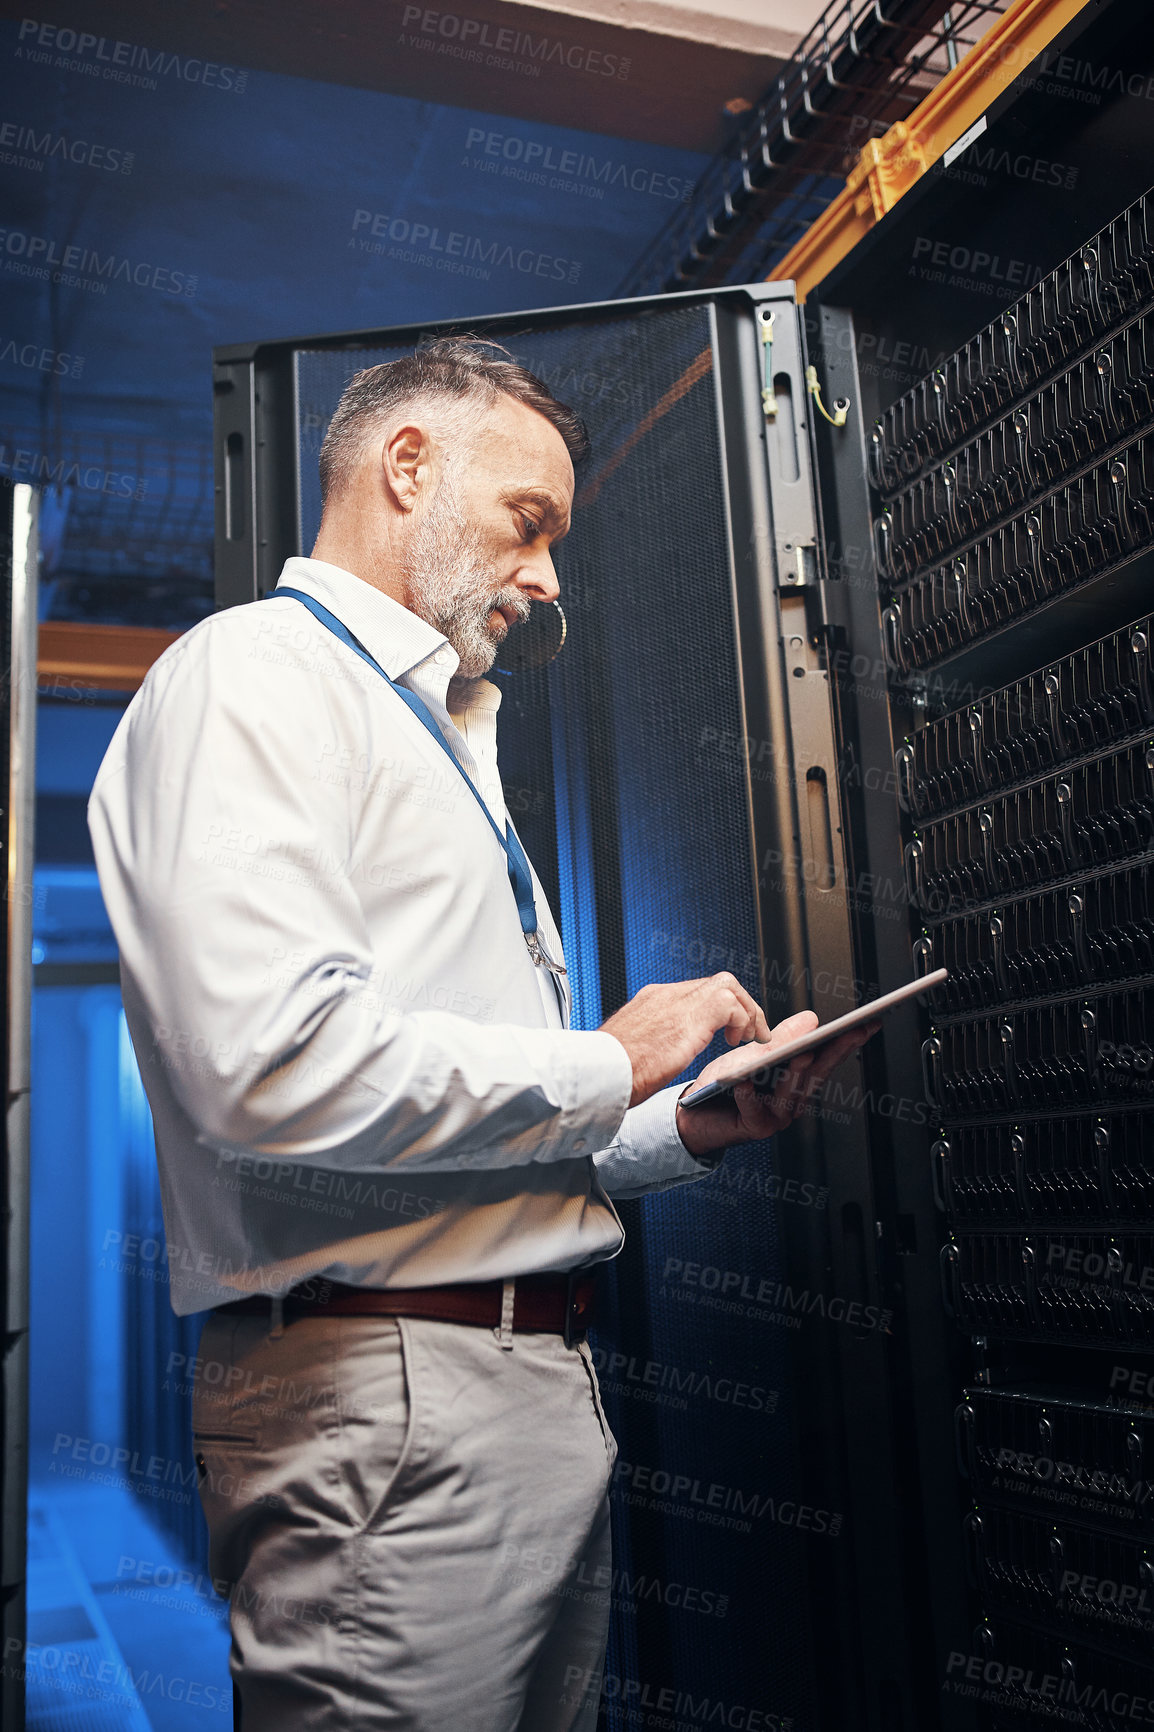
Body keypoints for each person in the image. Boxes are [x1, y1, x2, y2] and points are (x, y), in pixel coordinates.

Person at [88, 336, 874, 1731]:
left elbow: (457, 1142)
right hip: (387, 1395)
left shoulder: (427, 724)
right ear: (407, 467)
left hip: (493, 1389)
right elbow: (271, 1070)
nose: (548, 577)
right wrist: (612, 1053)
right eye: (531, 523)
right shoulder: (257, 676)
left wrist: (678, 1122)